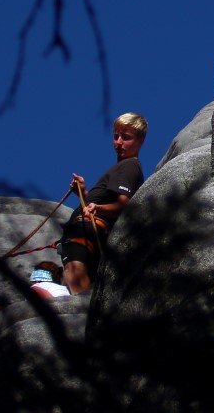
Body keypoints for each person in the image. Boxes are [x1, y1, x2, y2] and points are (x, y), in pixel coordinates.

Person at [58, 112, 148, 293]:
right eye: (116, 137)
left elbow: (123, 205)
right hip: (94, 231)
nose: (119, 142)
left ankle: (78, 316)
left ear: (140, 141)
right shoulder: (125, 167)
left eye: (126, 138)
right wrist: (84, 194)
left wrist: (97, 208)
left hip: (87, 231)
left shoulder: (129, 166)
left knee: (74, 279)